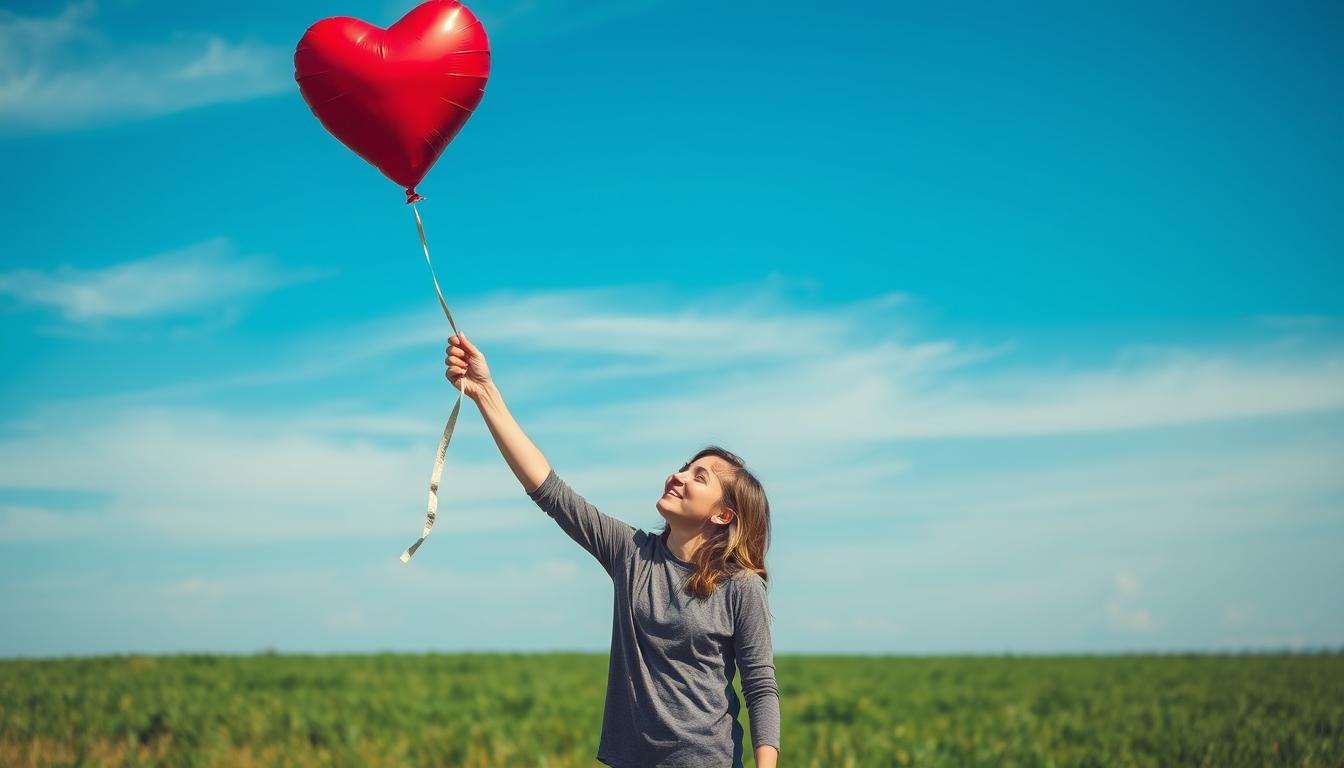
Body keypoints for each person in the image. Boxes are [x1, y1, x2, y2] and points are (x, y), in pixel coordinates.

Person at [446, 332, 781, 768]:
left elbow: (760, 687)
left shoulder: (741, 588)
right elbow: (549, 490)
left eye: (699, 477)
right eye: (684, 467)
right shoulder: (631, 554)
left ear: (723, 516)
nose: (677, 476)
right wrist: (485, 393)